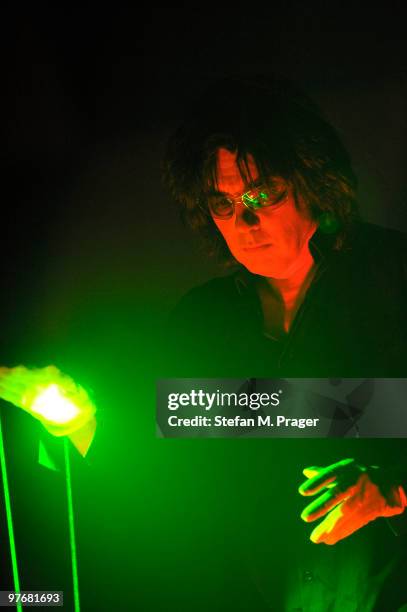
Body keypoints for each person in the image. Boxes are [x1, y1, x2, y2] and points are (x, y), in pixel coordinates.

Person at [161, 73, 407, 607]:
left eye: (261, 193)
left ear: (311, 180)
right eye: (221, 205)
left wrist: (394, 487)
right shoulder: (201, 319)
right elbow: (164, 439)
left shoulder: (394, 276)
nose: (243, 220)